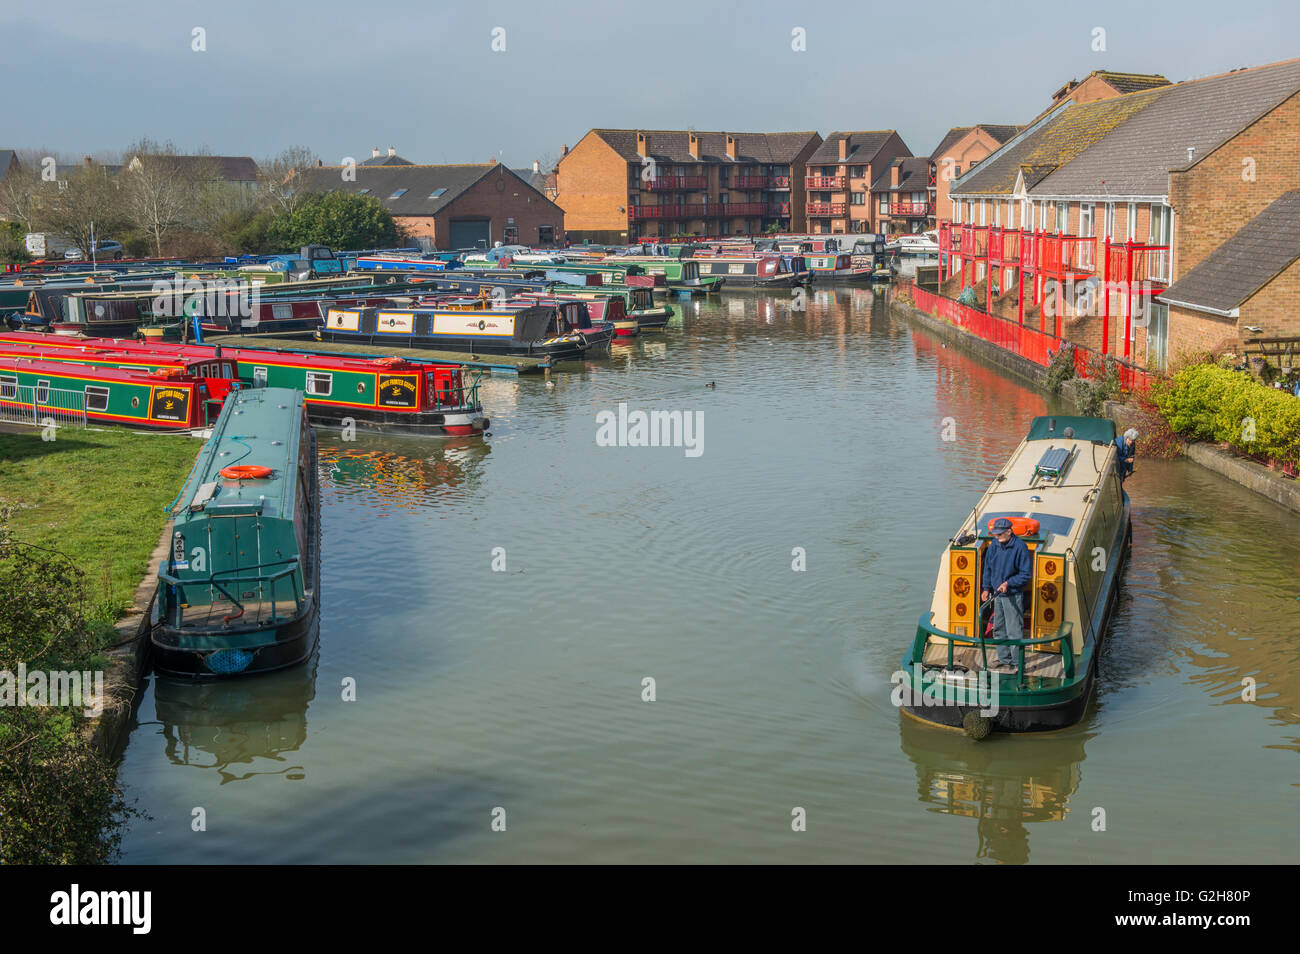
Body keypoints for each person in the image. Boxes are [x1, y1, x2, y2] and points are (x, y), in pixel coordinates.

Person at [981, 517, 1032, 673]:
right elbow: (988, 568)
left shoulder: (1020, 548)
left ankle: (1017, 663)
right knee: (998, 628)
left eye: (999, 534)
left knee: (1014, 630)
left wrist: (1008, 583)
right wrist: (986, 588)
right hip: (998, 595)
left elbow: (1026, 574)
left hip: (1012, 595)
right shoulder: (995, 545)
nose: (996, 537)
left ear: (1009, 532)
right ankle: (1004, 659)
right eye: (995, 534)